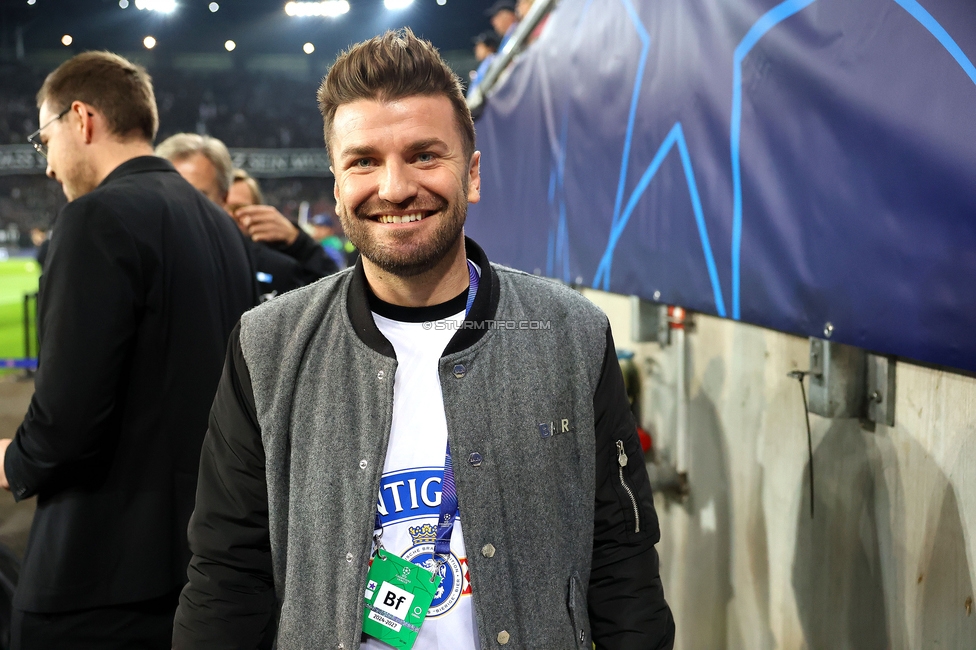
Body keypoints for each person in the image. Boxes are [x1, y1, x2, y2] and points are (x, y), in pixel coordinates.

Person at [173, 29, 674, 650]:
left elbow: (622, 561)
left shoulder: (571, 335)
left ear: (472, 174)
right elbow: (226, 572)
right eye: (363, 161)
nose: (394, 187)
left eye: (424, 155)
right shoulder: (268, 346)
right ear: (336, 186)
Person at [0, 51, 253, 649]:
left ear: (81, 119)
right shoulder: (220, 226)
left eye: (44, 139)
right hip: (201, 560)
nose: (48, 167)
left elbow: (68, 418)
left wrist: (13, 460)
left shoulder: (96, 218)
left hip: (100, 571)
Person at [156, 133, 337, 300]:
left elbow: (333, 295)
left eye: (239, 208)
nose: (228, 215)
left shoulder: (279, 268)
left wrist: (298, 242)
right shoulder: (159, 256)